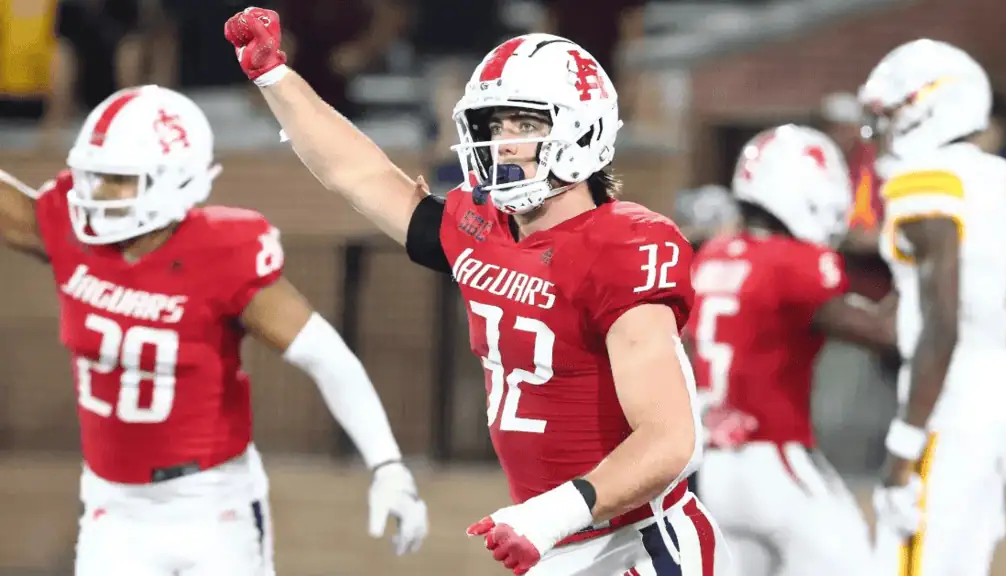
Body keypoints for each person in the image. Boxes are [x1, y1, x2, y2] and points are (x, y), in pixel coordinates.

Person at [224, 8, 729, 575]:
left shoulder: (621, 247)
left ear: (582, 131)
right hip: (557, 542)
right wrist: (275, 77)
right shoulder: (480, 228)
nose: (503, 144)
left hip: (637, 544)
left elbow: (669, 439)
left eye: (525, 124)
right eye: (495, 125)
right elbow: (358, 174)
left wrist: (551, 515)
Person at [0, 84, 427, 575]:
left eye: (118, 180)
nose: (96, 194)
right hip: (112, 506)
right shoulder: (69, 231)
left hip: (209, 505)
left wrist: (387, 465)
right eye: (94, 177)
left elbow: (327, 358)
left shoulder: (220, 252)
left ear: (173, 179)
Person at [684, 124, 896, 576]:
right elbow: (886, 333)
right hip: (773, 460)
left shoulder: (714, 254)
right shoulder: (794, 262)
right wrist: (917, 262)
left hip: (708, 467)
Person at [860, 39, 1006, 576]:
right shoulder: (999, 176)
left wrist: (903, 445)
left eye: (893, 113)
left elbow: (942, 321)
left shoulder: (927, 180)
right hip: (1002, 380)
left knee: (915, 565)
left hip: (951, 393)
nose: (885, 129)